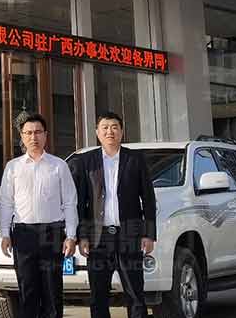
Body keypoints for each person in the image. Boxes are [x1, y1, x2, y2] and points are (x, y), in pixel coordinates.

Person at [71, 112, 157, 318]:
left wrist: (149, 234)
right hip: (98, 238)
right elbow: (80, 202)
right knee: (98, 296)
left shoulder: (135, 159)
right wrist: (82, 236)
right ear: (97, 132)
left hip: (129, 236)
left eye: (114, 127)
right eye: (105, 127)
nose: (110, 131)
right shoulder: (86, 161)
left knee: (135, 293)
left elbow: (148, 198)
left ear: (121, 131)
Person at [0, 113, 77, 318]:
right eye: (29, 133)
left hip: (52, 233)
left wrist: (71, 236)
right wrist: (5, 234)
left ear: (46, 135)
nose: (34, 137)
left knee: (52, 290)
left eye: (38, 132)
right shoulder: (13, 167)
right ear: (22, 137)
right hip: (23, 234)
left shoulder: (59, 166)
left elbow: (70, 202)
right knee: (27, 289)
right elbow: (6, 203)